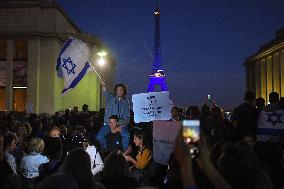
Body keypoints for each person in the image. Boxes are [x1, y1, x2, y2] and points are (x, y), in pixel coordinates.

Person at [96, 80, 130, 150]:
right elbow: (105, 92)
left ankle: (124, 153)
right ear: (115, 91)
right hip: (108, 124)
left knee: (126, 136)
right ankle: (107, 147)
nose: (119, 91)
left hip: (120, 125)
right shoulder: (110, 98)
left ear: (124, 91)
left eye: (121, 90)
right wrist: (103, 85)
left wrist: (121, 126)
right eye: (117, 90)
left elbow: (127, 118)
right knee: (99, 137)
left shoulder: (126, 103)